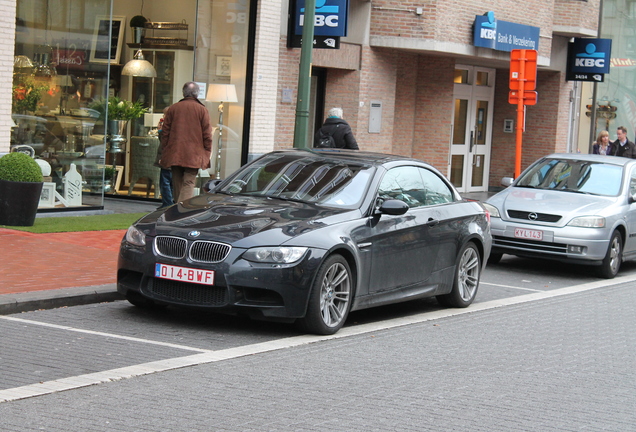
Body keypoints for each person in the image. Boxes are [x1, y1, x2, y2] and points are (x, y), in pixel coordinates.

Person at [159, 82, 213, 202]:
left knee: (177, 183)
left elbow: (165, 133)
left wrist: (166, 150)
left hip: (175, 152)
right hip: (194, 154)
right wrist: (207, 152)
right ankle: (181, 210)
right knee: (189, 182)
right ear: (197, 94)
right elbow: (207, 134)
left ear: (183, 93)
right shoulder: (202, 110)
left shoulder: (173, 108)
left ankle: (177, 210)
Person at [154, 108, 174, 209]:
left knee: (165, 181)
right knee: (171, 181)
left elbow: (164, 142)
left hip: (167, 157)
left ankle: (168, 203)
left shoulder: (169, 126)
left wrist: (161, 131)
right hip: (173, 159)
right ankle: (169, 202)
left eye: (164, 115)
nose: (163, 117)